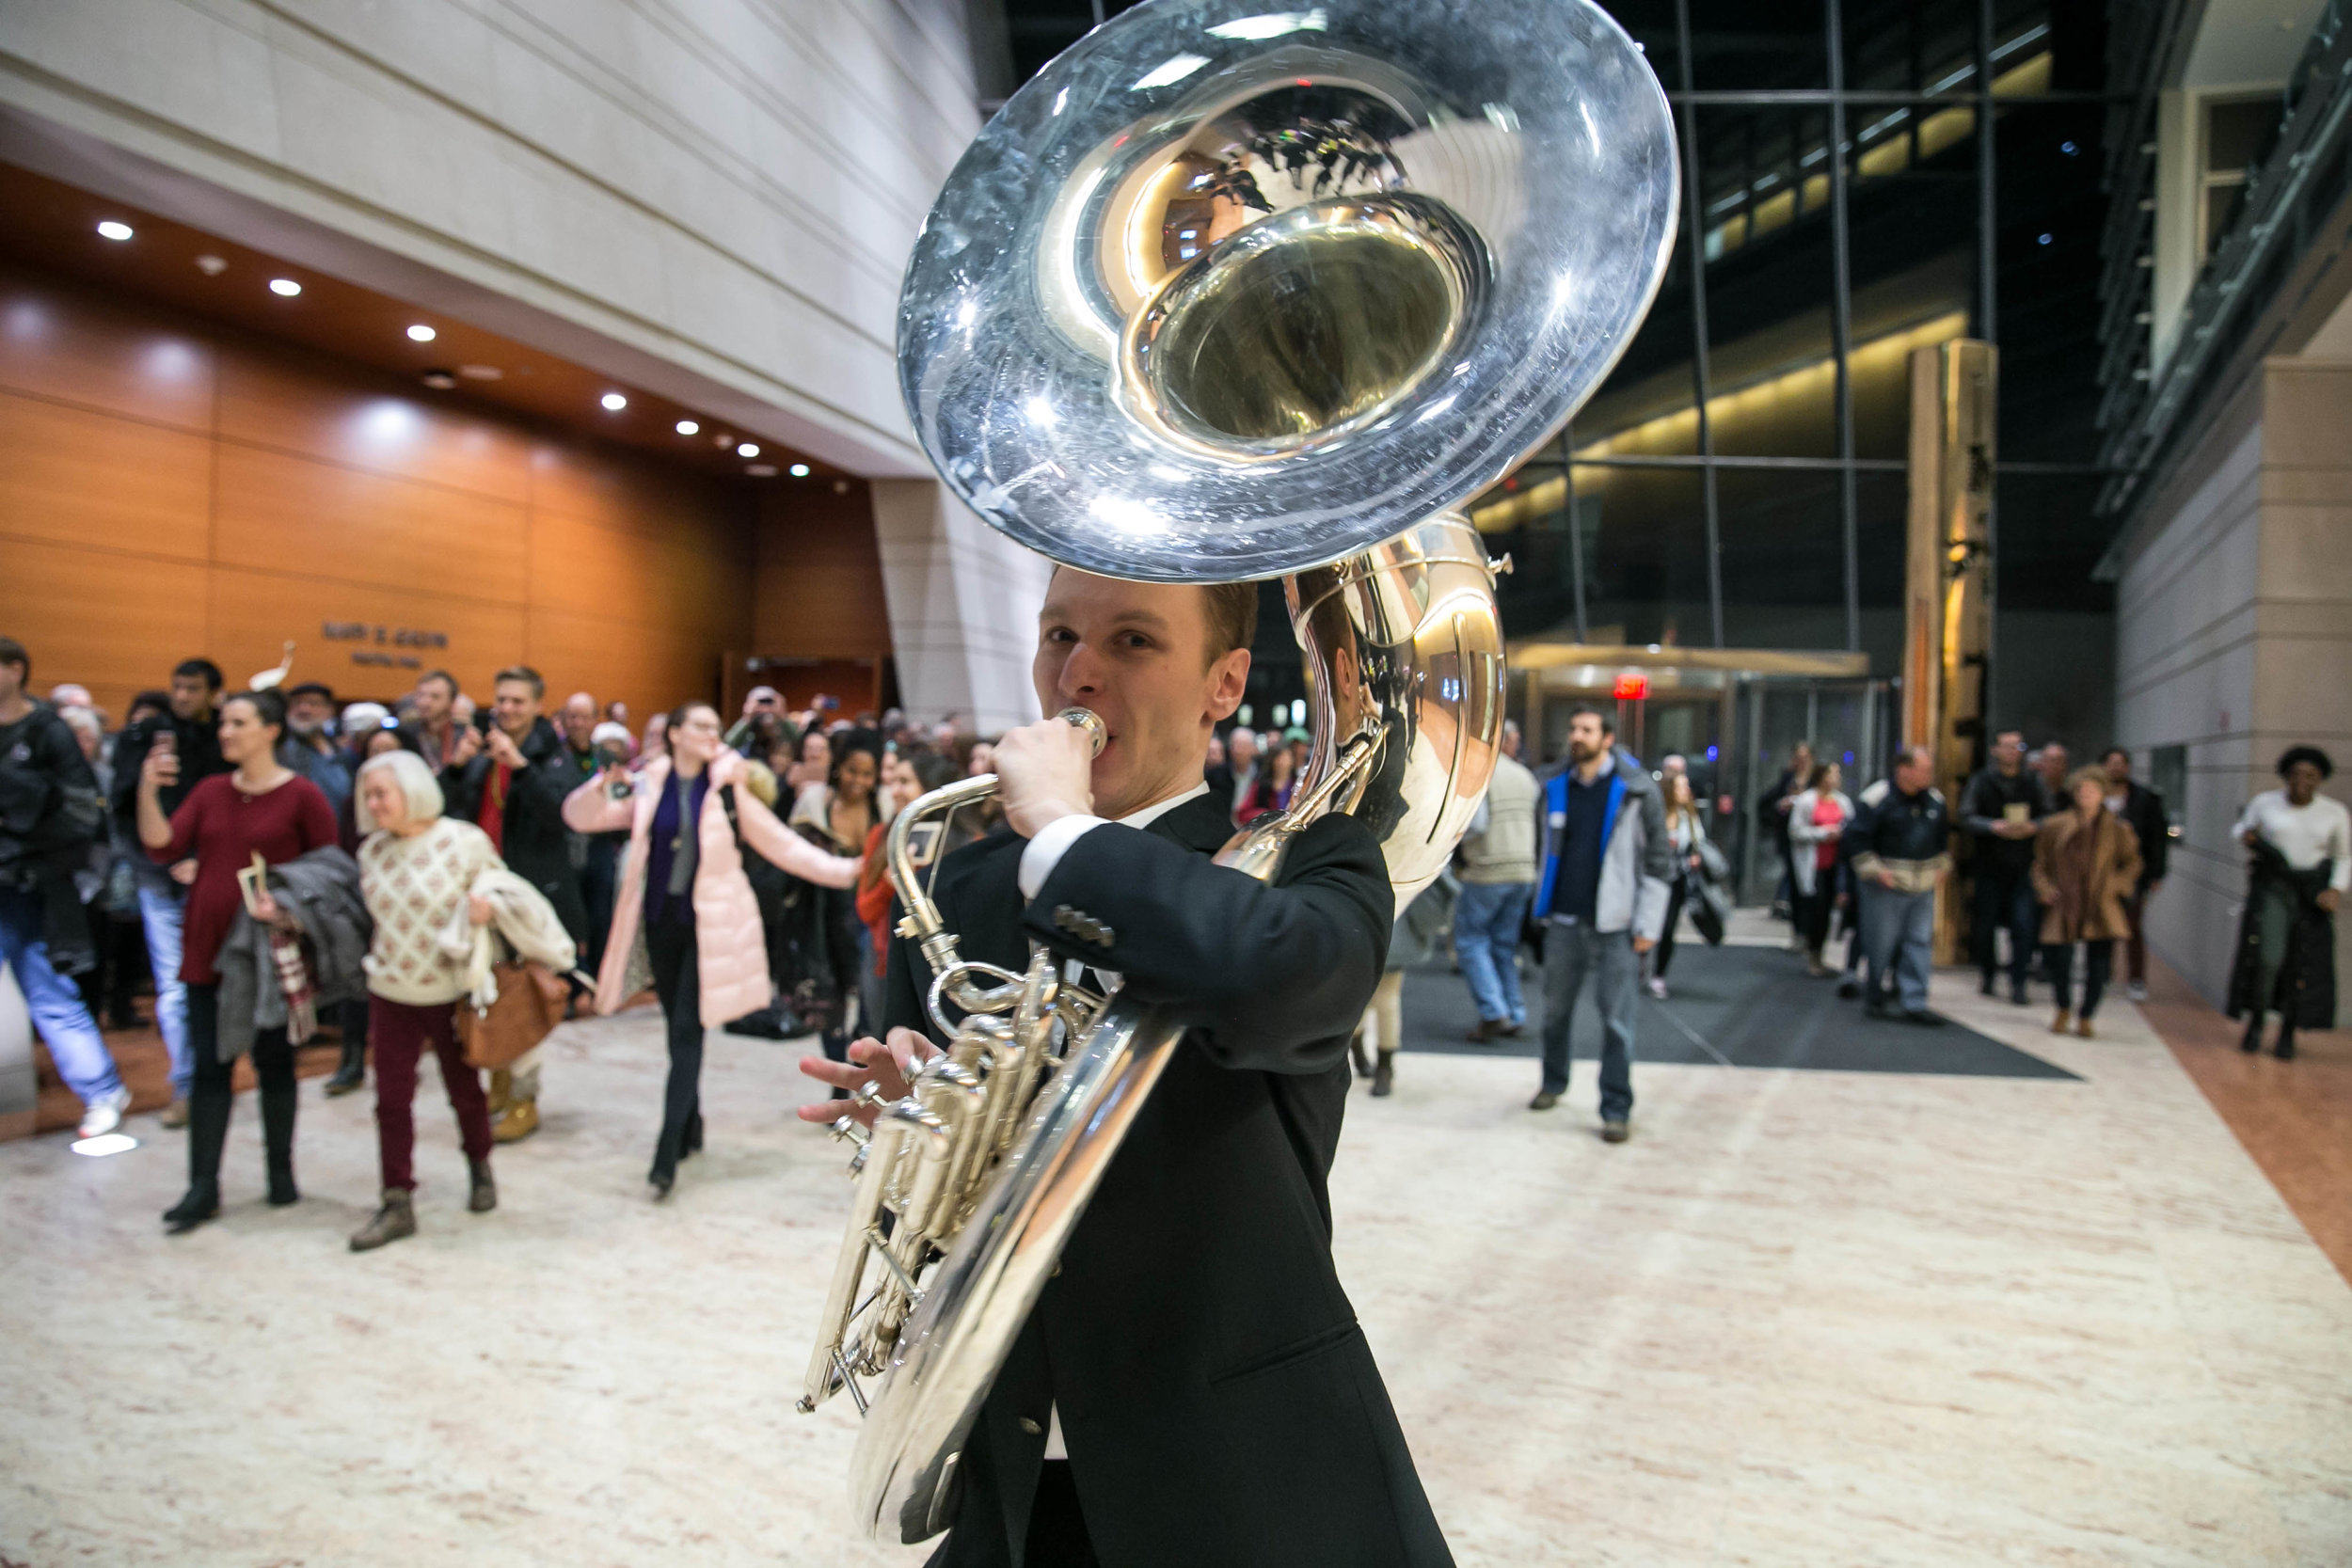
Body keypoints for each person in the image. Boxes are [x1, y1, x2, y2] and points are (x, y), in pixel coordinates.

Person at [797, 567, 1449, 1567]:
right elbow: (937, 1229)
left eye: (1133, 641)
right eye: (1059, 633)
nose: (1078, 674)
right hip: (1012, 1474)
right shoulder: (960, 878)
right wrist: (920, 1119)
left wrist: (1066, 833)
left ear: (1223, 684)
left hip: (1245, 1481)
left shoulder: (1309, 861)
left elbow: (1284, 979)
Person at [564, 702, 861, 1196]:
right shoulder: (648, 783)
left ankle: (665, 1158)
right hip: (659, 927)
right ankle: (691, 1122)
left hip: (710, 931)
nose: (710, 734)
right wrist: (598, 786)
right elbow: (581, 818)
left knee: (686, 1032)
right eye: (699, 725)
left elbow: (782, 844)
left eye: (715, 728)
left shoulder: (727, 789)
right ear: (675, 733)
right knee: (676, 1032)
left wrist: (850, 871)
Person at [346, 750, 573, 1250]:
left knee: (464, 1088)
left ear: (412, 790)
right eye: (368, 796)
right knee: (391, 1101)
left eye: (382, 793)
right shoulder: (371, 852)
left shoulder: (462, 842)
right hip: (390, 989)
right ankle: (397, 1198)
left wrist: (483, 912)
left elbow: (507, 898)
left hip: (452, 992)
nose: (374, 804)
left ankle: (480, 1166)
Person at [135, 689, 342, 1232]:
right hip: (209, 951)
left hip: (269, 954)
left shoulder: (302, 796)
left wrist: (289, 906)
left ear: (270, 730)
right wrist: (148, 789)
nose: (226, 732)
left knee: (275, 1064)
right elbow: (162, 845)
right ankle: (202, 1186)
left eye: (238, 722)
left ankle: (281, 1173)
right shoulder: (208, 791)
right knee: (210, 1067)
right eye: (224, 723)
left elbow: (330, 872)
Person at [438, 666, 583, 1142]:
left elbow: (560, 820)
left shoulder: (554, 758)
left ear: (538, 705)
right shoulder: (481, 754)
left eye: (518, 701)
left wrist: (522, 768)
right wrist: (457, 768)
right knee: (486, 992)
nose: (507, 708)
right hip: (482, 895)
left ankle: (525, 1097)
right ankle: (498, 1084)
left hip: (529, 901)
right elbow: (447, 818)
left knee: (523, 997)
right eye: (502, 699)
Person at [0, 637, 132, 1138]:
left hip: (37, 886)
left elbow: (81, 813)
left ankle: (101, 1091)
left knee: (50, 993)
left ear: (16, 669)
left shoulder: (48, 731)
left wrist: (19, 822)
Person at [1529, 705, 1672, 1142]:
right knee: (1554, 1013)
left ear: (1607, 738)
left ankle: (1615, 1108)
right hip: (1564, 920)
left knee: (1616, 1022)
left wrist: (1649, 923)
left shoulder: (1636, 792)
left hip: (1617, 924)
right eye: (1573, 728)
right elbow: (1542, 850)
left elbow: (1658, 862)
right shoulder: (1552, 788)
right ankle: (1554, 1082)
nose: (1577, 736)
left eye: (1587, 730)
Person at [108, 656, 229, 1127]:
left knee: (220, 982)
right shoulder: (143, 737)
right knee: (176, 987)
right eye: (177, 687)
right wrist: (164, 859)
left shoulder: (226, 737)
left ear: (213, 692)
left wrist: (205, 859)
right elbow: (121, 810)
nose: (182, 697)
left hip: (217, 876)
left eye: (193, 689)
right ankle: (187, 1085)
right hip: (159, 877)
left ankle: (213, 1079)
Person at [2229, 746, 2346, 1059]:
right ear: (2285, 776)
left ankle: (2288, 1031)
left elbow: (2343, 855)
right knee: (2269, 959)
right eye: (2295, 774)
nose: (2302, 781)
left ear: (2320, 778)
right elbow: (2241, 828)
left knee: (2301, 963)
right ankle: (2256, 1019)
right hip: (2274, 888)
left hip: (2310, 893)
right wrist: (2248, 836)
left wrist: (2335, 889)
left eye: (2310, 775)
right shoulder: (2266, 803)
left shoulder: (2333, 812)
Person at [2029, 767, 2142, 1038]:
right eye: (2081, 791)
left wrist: (2116, 886)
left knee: (2099, 964)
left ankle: (2087, 1015)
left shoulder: (2117, 828)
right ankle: (2063, 1008)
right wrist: (2045, 888)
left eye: (2092, 791)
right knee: (2061, 960)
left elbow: (2132, 863)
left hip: (2099, 903)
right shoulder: (2057, 825)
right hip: (2066, 900)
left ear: (2102, 794)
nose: (2086, 796)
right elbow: (2040, 863)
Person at [1848, 745, 1951, 1025]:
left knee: (1919, 942)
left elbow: (1944, 839)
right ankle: (1875, 994)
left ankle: (1914, 1000)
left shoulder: (1935, 800)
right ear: (1904, 770)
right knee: (1880, 942)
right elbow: (1856, 839)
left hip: (1923, 883)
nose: (1928, 774)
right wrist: (1875, 870)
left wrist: (1942, 865)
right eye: (1923, 769)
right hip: (1886, 883)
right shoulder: (1877, 797)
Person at [1454, 738, 1540, 1040]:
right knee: (1504, 947)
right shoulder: (1525, 776)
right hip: (1524, 870)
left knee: (1470, 941)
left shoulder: (1480, 773)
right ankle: (1514, 1012)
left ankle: (1493, 1012)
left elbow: (1475, 825)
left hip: (1488, 870)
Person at [1961, 729, 2048, 1004]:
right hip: (1990, 864)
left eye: (2016, 746)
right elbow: (1966, 816)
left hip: (2023, 865)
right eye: (2006, 746)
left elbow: (2050, 815)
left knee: (2023, 926)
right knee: (1985, 926)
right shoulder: (1982, 781)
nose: (2012, 751)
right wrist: (1993, 826)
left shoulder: (2033, 781)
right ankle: (1988, 973)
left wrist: (2033, 826)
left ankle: (2018, 981)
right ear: (1995, 750)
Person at [1358, 878, 1452, 1097]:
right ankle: (1383, 1067)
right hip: (1395, 917)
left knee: (1363, 999)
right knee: (1384, 1000)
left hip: (1365, 919)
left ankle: (1366, 1058)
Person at [2099, 747, 2169, 1002]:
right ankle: (2101, 973)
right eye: (2112, 762)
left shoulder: (2145, 799)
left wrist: (2156, 874)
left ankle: (2136, 978)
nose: (2116, 767)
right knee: (2102, 926)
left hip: (2132, 873)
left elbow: (2157, 839)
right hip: (2101, 872)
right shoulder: (2095, 795)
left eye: (2121, 763)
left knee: (2132, 925)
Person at [1788, 761, 1853, 977]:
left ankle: (1821, 952)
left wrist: (1841, 833)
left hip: (1836, 864)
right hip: (1814, 863)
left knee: (1830, 911)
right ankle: (1813, 952)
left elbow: (1852, 827)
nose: (1835, 778)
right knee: (1818, 908)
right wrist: (1823, 833)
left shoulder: (1843, 802)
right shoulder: (1807, 800)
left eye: (1838, 774)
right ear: (1821, 776)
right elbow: (1795, 831)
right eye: (1832, 774)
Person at [1648, 771, 1711, 999]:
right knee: (1647, 927)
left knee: (1667, 929)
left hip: (1678, 882)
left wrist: (1695, 856)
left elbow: (1699, 843)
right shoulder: (1658, 815)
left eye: (1686, 786)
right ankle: (1641, 963)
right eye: (1680, 787)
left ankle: (1658, 975)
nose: (1685, 791)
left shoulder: (1690, 817)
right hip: (1655, 879)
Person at [1756, 741, 1813, 928]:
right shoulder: (1787, 777)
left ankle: (1785, 900)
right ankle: (1785, 901)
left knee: (1800, 870)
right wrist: (1782, 805)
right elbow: (1769, 801)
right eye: (1798, 757)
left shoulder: (1814, 779)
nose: (1801, 761)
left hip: (1811, 835)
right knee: (1791, 866)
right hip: (1789, 832)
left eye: (1804, 757)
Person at [278, 681, 351, 816]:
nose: (304, 709)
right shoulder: (281, 749)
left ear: (330, 710)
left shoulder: (341, 751)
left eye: (313, 703)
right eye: (297, 703)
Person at [406, 670, 462, 771]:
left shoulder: (463, 737)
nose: (425, 703)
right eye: (421, 695)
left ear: (452, 702)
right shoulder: (405, 734)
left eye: (435, 697)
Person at [1205, 723, 1257, 824]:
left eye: (1242, 746)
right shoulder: (1216, 775)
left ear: (1253, 748)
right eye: (1234, 745)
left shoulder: (1262, 775)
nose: (1237, 750)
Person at [1237, 738, 1297, 823]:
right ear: (1273, 760)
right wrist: (1265, 815)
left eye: (1287, 757)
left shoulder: (1298, 784)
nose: (1283, 762)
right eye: (1279, 757)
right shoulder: (1260, 785)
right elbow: (1242, 813)